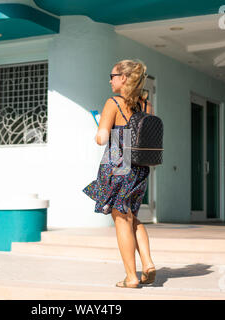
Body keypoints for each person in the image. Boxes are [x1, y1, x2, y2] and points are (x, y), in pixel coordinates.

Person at [82, 59, 156, 288]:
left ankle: (132, 277)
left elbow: (102, 138)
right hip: (140, 167)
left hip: (118, 163)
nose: (110, 80)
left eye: (112, 75)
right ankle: (148, 262)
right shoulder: (147, 106)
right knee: (132, 216)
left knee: (122, 219)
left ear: (123, 78)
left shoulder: (113, 103)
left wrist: (100, 126)